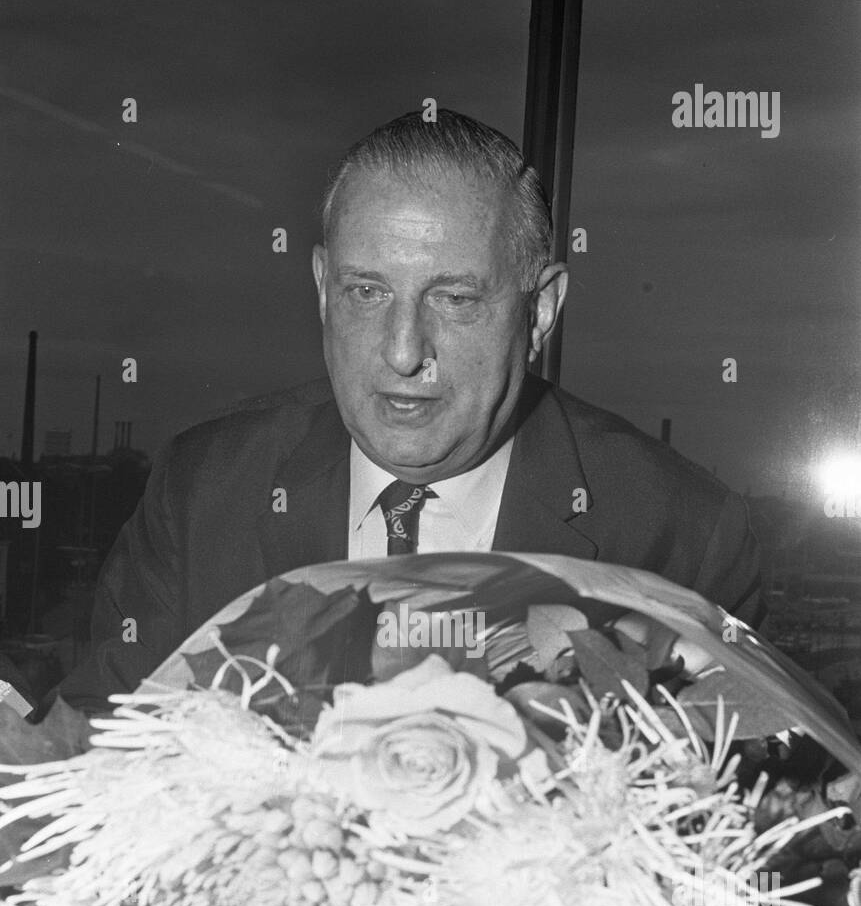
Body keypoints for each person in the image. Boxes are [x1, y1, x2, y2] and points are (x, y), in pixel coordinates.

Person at [52, 109, 763, 715]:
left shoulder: (684, 535)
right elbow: (97, 749)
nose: (401, 352)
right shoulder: (203, 488)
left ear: (539, 309)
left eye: (453, 299)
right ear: (323, 290)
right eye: (366, 292)